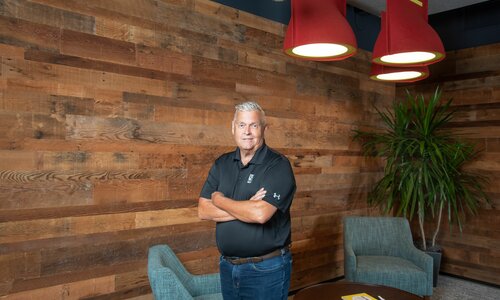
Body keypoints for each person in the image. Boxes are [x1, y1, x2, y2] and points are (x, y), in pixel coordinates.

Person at [198, 101, 296, 300]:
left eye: (254, 125)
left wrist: (219, 199)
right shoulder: (222, 163)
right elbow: (203, 210)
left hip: (266, 269)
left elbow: (260, 214)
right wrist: (246, 205)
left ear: (264, 129)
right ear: (233, 128)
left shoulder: (278, 165)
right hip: (228, 267)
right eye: (242, 125)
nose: (247, 132)